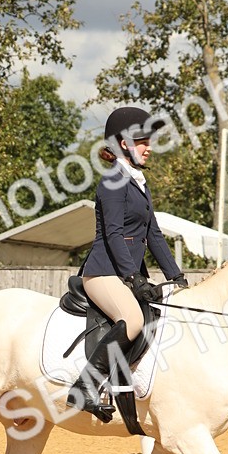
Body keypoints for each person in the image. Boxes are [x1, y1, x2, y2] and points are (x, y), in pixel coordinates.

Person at [66, 106, 188, 422]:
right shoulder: (112, 182)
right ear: (123, 144)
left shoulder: (139, 183)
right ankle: (85, 387)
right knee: (132, 320)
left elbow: (154, 234)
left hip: (125, 274)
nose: (149, 147)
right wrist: (132, 275)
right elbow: (115, 234)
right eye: (143, 141)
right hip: (103, 272)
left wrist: (177, 277)